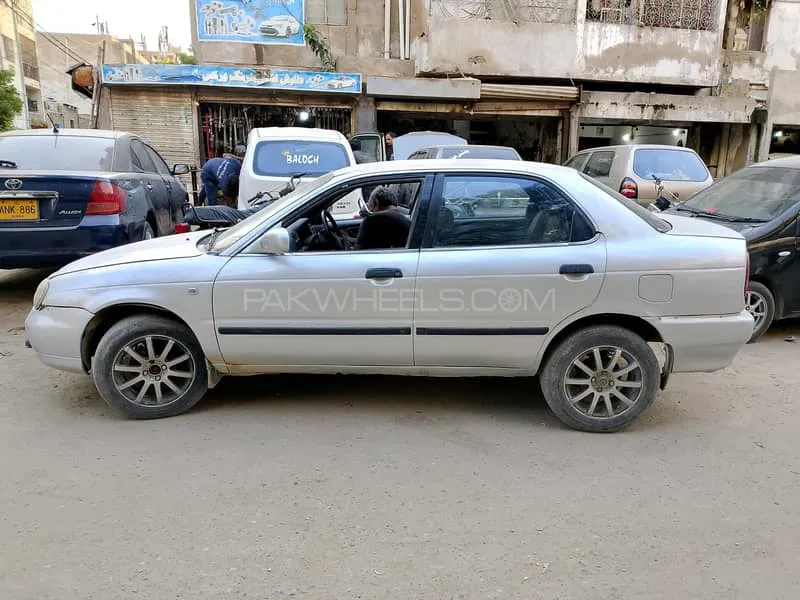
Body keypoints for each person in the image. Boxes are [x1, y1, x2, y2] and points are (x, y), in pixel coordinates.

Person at [355, 185, 410, 250]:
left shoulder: (370, 221)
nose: (373, 212)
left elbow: (356, 252)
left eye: (372, 209)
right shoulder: (408, 222)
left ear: (376, 203)